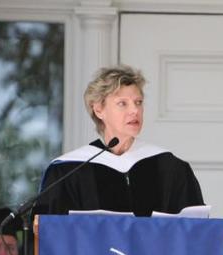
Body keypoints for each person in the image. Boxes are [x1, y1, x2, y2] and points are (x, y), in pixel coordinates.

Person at [37, 65, 204, 216]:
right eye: (122, 103)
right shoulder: (68, 171)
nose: (135, 110)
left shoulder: (170, 168)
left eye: (138, 102)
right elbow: (52, 238)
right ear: (99, 110)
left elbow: (195, 232)